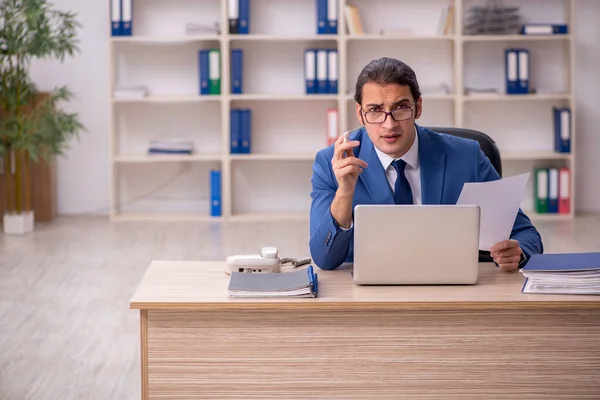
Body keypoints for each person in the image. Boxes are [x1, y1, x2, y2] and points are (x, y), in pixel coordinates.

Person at [309, 57, 543, 271]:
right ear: (360, 114)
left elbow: (525, 233)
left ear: (418, 107)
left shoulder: (467, 157)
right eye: (375, 110)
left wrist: (518, 252)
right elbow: (324, 259)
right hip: (367, 291)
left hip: (449, 286)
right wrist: (344, 193)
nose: (389, 125)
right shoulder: (333, 162)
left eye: (400, 108)